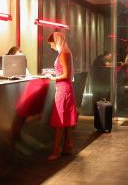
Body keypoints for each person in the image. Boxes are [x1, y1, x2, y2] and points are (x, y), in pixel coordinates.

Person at [46, 32, 78, 160]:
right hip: (65, 89)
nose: (51, 47)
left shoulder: (64, 53)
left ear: (56, 40)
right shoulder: (65, 51)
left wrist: (52, 78)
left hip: (63, 90)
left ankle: (56, 150)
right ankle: (67, 145)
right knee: (66, 119)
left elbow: (66, 74)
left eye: (51, 43)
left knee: (59, 120)